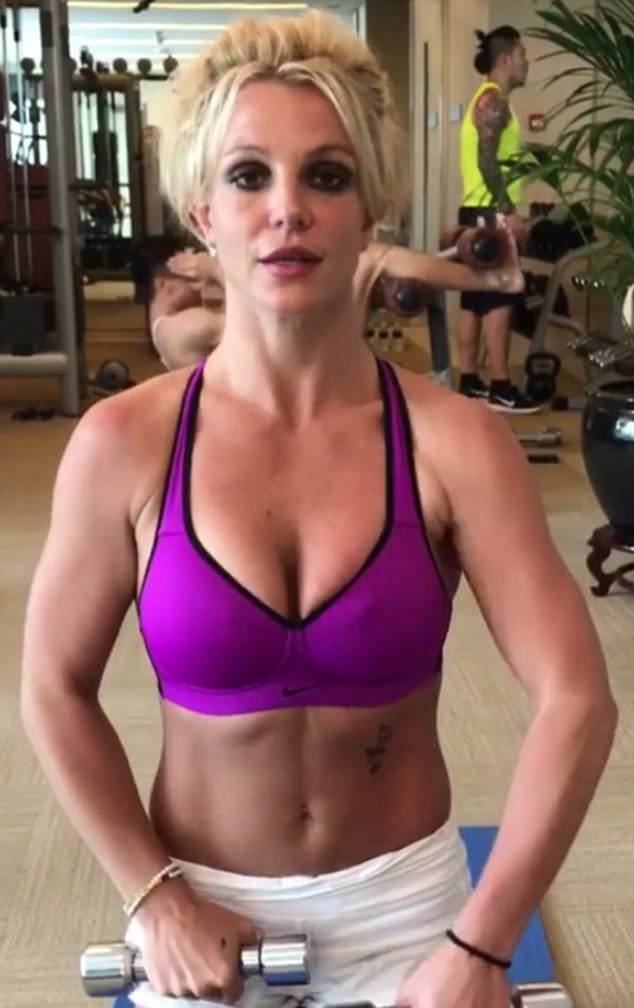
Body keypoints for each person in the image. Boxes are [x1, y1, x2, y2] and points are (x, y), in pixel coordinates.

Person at [21, 12, 616, 1008]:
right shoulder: (123, 444)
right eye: (249, 176)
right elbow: (52, 688)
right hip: (199, 916)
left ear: (372, 204)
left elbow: (576, 697)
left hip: (413, 918)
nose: (287, 210)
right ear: (203, 211)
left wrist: (483, 945)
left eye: (327, 176)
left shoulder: (456, 443)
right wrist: (154, 896)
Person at [146, 231, 525, 373]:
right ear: (163, 284)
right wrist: (215, 268)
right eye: (186, 274)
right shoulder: (181, 328)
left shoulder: (173, 328)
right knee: (372, 258)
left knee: (363, 263)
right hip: (305, 357)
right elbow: (262, 322)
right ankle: (498, 279)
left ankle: (492, 278)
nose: (196, 284)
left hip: (301, 362)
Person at [457, 25, 539, 413]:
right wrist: (507, 211)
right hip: (491, 213)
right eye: (522, 54)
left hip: (477, 211)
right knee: (499, 299)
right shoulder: (494, 101)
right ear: (505, 59)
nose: (526, 62)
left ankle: (470, 380)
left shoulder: (485, 98)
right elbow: (487, 161)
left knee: (474, 300)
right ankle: (501, 387)